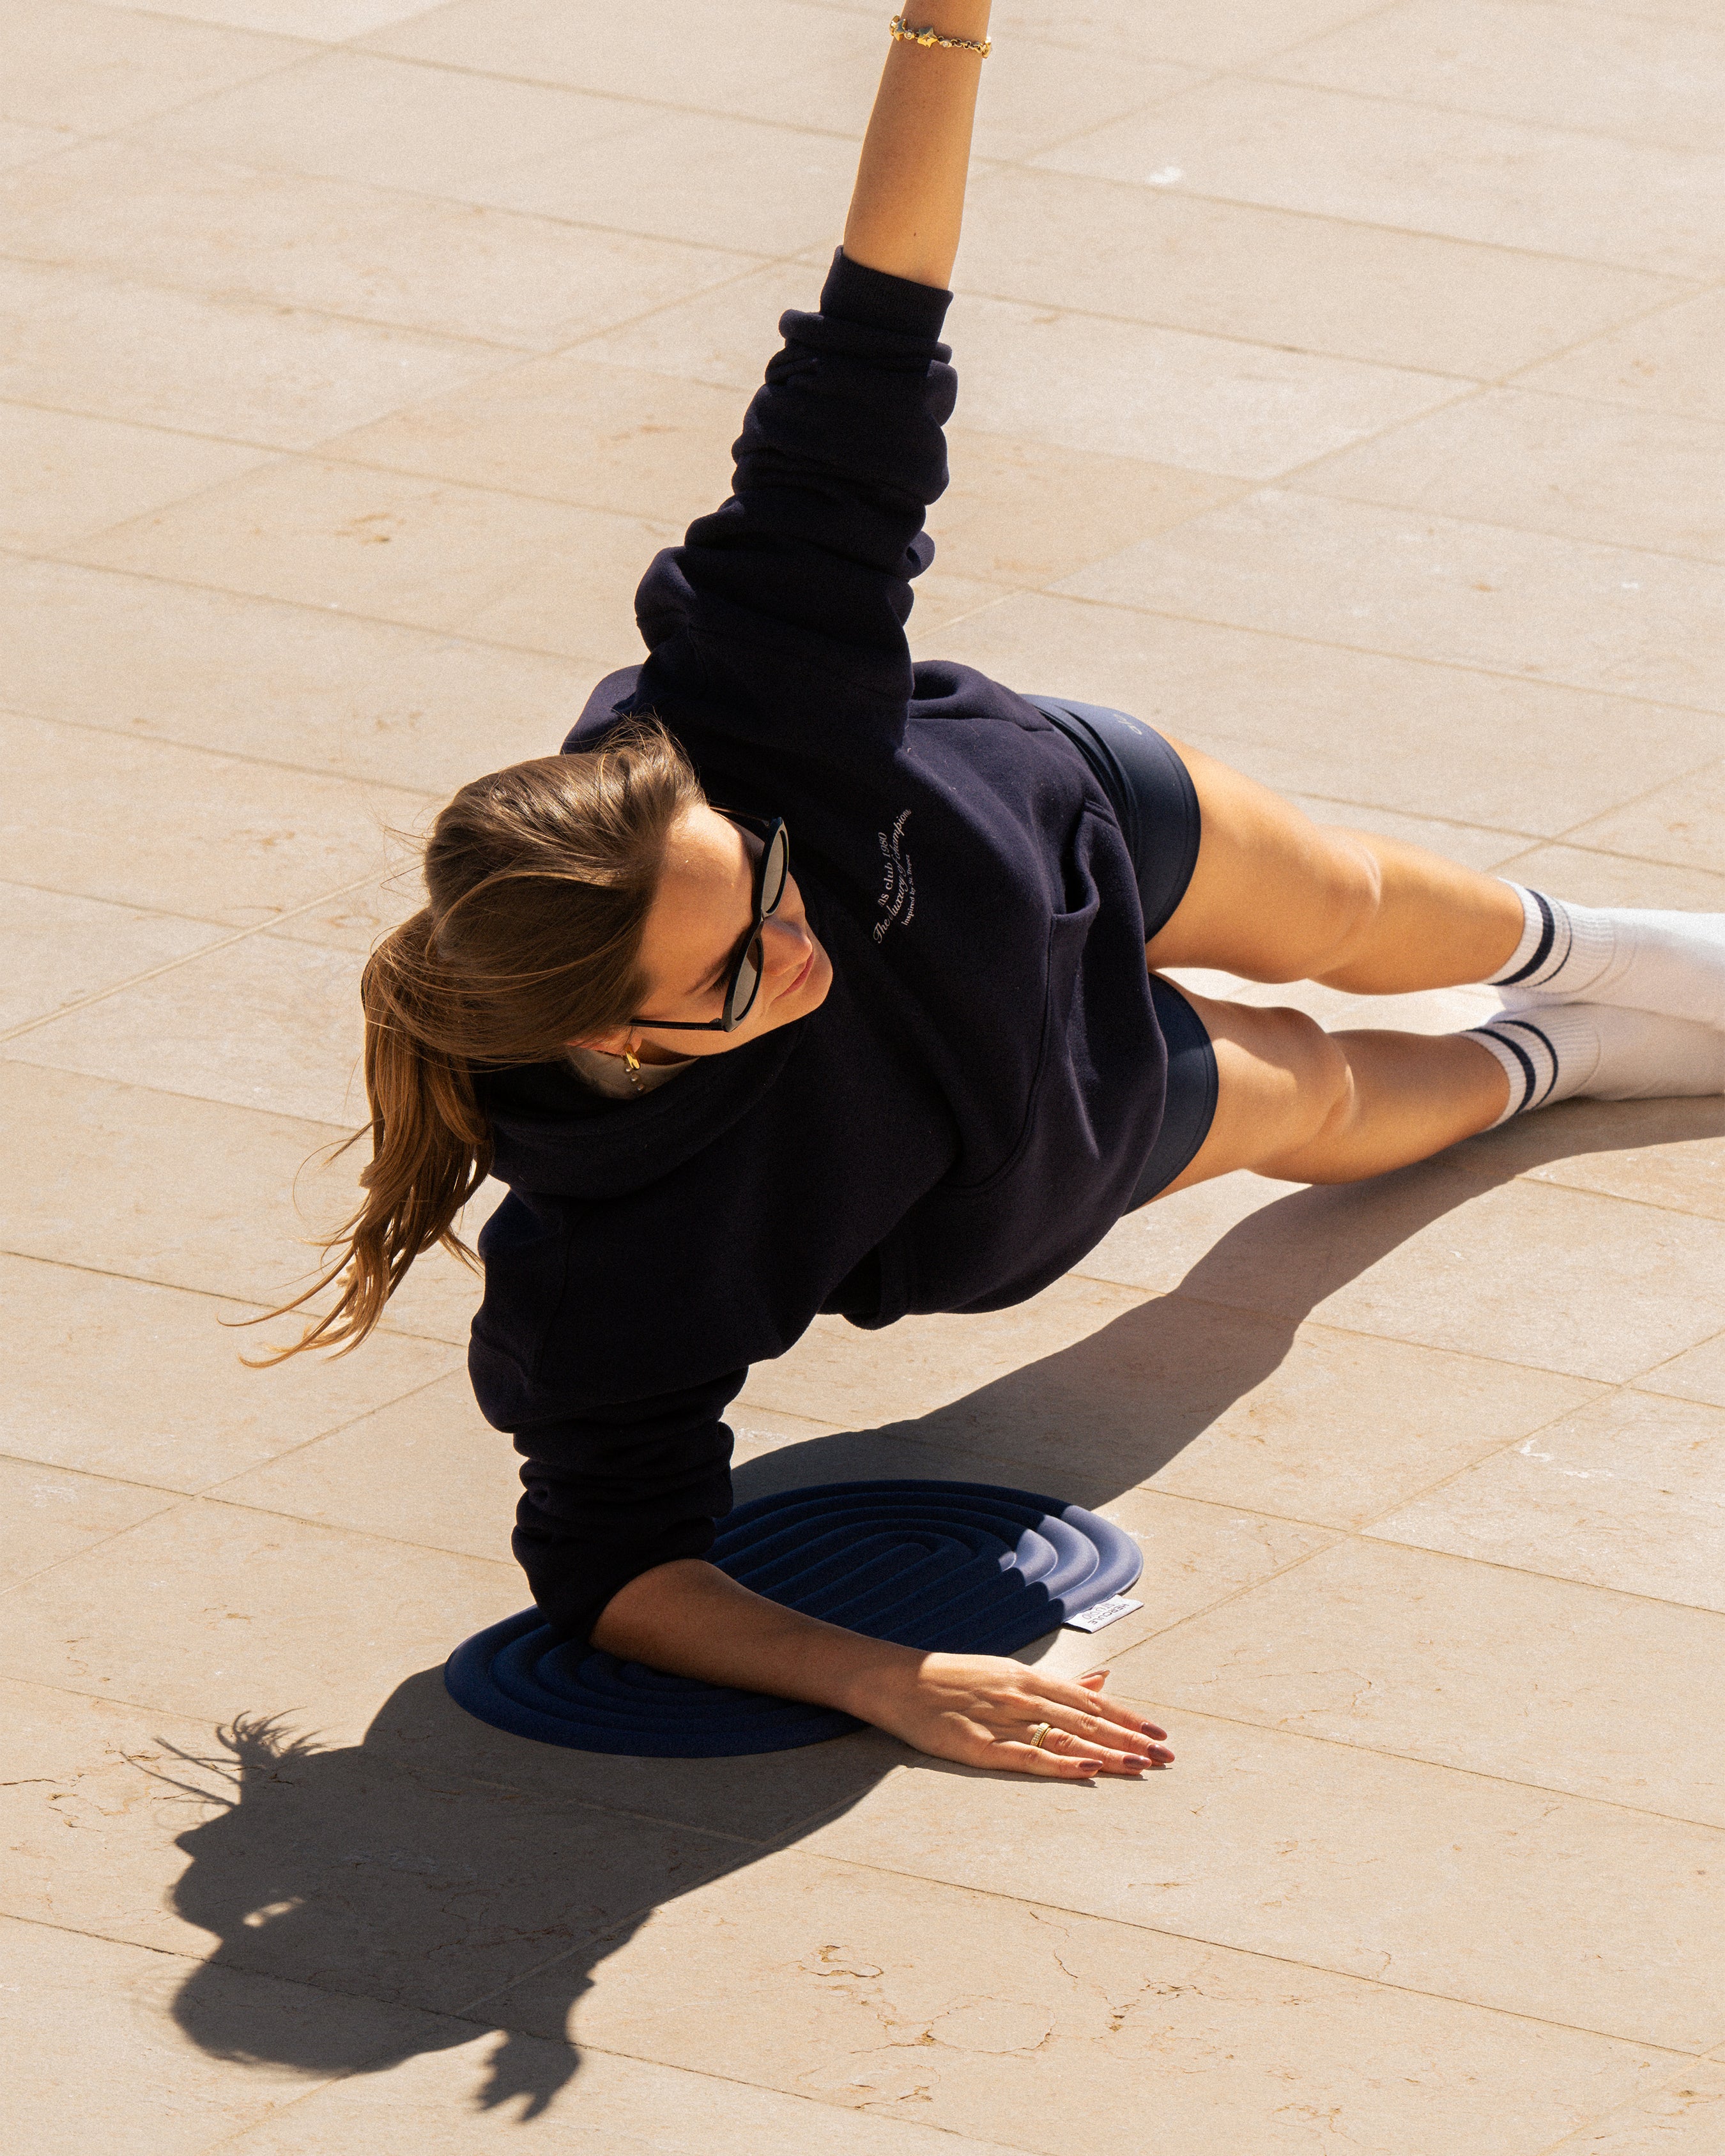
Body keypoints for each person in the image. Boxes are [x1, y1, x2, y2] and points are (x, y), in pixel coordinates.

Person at [267, 6, 1725, 1783]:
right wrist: (880, 1677)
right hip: (1042, 1124)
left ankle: (1603, 951)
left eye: (771, 884)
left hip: (1047, 821)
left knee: (1353, 904)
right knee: (1327, 1093)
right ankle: (1557, 1062)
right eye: (738, 969)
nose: (793, 942)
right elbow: (609, 1568)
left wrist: (938, 28)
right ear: (610, 1035)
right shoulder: (609, 1268)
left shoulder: (739, 700)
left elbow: (865, 343)